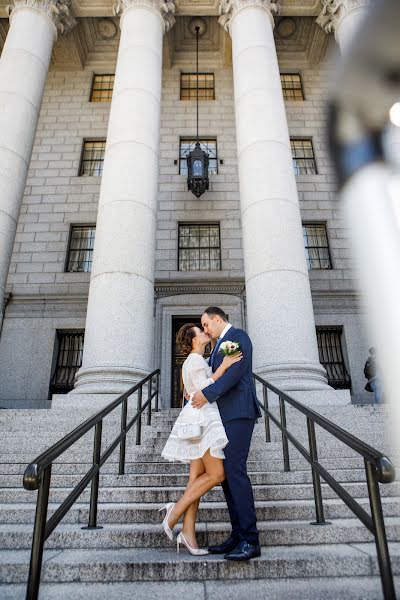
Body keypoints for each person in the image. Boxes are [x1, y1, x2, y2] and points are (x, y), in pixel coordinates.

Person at [160, 323, 243, 555]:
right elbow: (207, 388)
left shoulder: (196, 361)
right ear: (195, 340)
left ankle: (188, 534)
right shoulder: (195, 360)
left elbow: (195, 389)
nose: (205, 332)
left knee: (196, 478)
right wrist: (225, 365)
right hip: (203, 421)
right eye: (201, 330)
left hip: (198, 419)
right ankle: (175, 511)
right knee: (217, 474)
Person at [191, 306, 262, 561]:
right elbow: (216, 374)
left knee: (235, 472)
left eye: (206, 324)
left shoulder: (235, 337)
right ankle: (238, 535)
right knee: (226, 477)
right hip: (223, 417)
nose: (206, 330)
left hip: (238, 414)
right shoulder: (221, 344)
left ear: (217, 319)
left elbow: (234, 373)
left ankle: (250, 540)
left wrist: (206, 395)